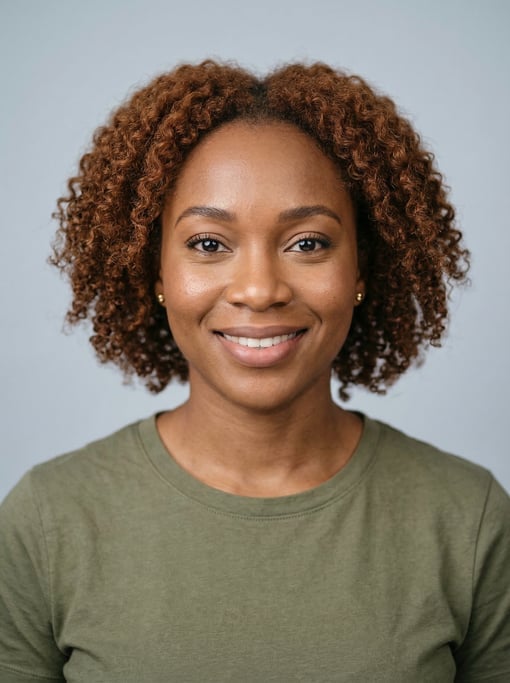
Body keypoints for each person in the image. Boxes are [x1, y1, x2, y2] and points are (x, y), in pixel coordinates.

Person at [0, 60, 508, 682]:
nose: (261, 290)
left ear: (362, 271)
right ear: (157, 273)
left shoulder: (468, 516)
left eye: (308, 243)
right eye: (209, 244)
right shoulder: (47, 520)